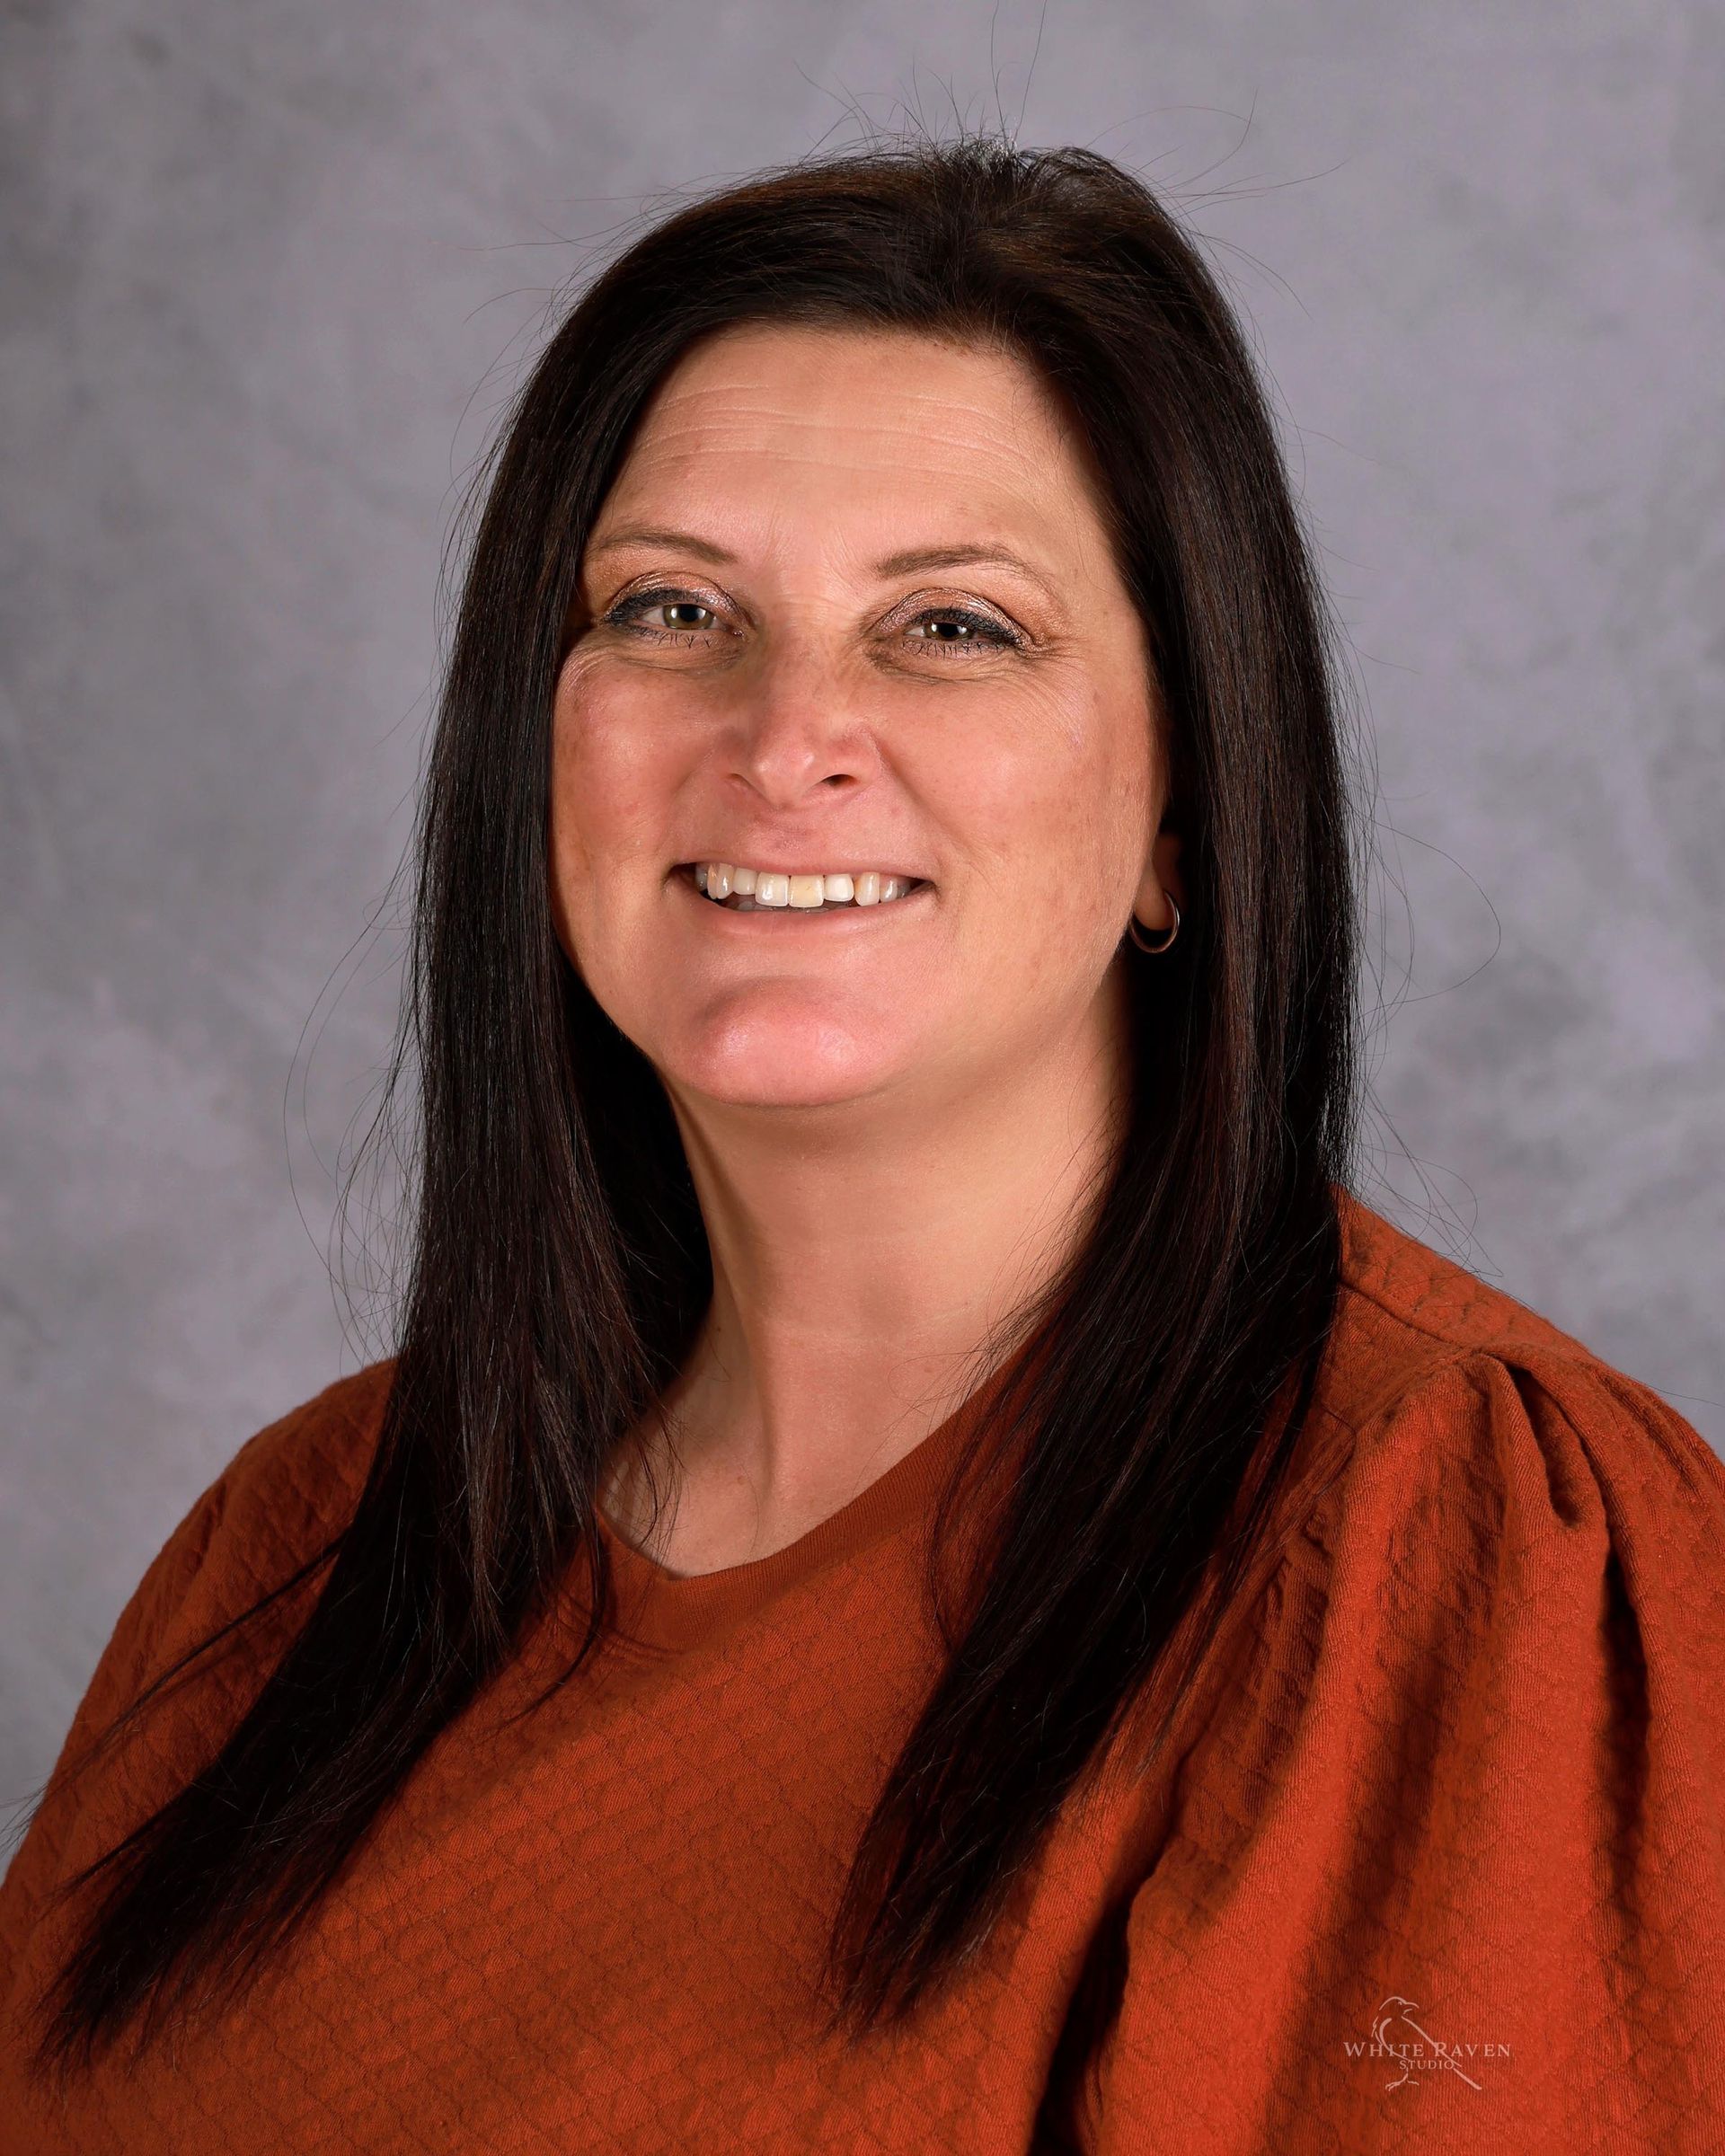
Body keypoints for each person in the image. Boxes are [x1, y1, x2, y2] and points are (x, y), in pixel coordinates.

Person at [3, 131, 1721, 2155]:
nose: (783, 732)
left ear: (1185, 801)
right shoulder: (303, 1547)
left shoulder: (1445, 1557)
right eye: (670, 609)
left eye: (955, 628)